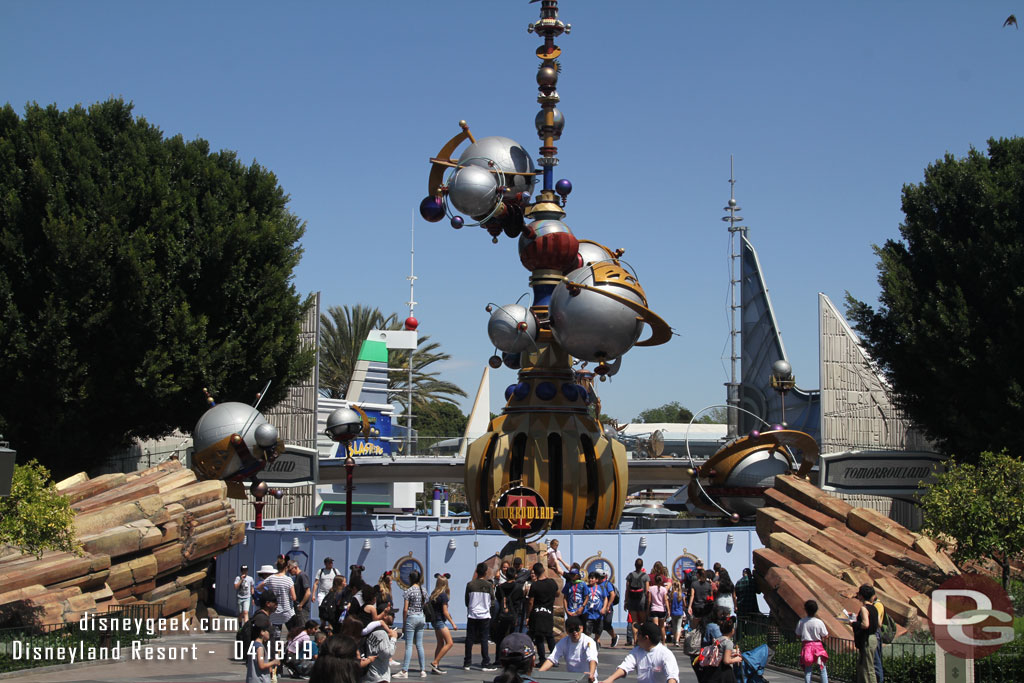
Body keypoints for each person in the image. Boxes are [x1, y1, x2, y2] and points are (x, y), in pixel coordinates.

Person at [600, 621, 678, 683]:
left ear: (646, 638)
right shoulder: (637, 651)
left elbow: (672, 677)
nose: (636, 637)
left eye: (638, 634)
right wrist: (610, 679)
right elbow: (625, 666)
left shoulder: (665, 654)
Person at [539, 616, 598, 681]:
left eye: (577, 629)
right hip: (572, 679)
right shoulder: (563, 642)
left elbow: (592, 659)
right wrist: (538, 674)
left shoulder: (588, 642)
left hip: (587, 679)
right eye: (571, 630)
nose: (574, 632)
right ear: (567, 631)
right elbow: (552, 659)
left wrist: (591, 673)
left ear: (581, 628)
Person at [394, 570, 428, 678]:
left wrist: (404, 624)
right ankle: (423, 670)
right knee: (419, 645)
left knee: (408, 645)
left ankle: (404, 671)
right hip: (421, 617)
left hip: (411, 617)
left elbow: (405, 609)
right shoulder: (423, 590)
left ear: (410, 579)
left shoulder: (409, 591)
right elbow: (425, 604)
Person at [465, 562, 497, 671]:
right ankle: (485, 662)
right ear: (486, 572)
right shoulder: (488, 585)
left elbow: (466, 601)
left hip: (472, 614)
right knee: (484, 639)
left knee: (469, 638)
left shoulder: (470, 584)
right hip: (484, 615)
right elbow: (492, 601)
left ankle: (467, 662)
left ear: (477, 571)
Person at [525, 562, 558, 661]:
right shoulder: (552, 583)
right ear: (543, 570)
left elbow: (531, 602)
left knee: (539, 637)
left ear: (535, 572)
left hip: (537, 613)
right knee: (549, 635)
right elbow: (557, 593)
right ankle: (554, 658)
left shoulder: (535, 585)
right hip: (548, 612)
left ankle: (542, 659)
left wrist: (528, 615)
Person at [427, 572, 457, 674]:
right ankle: (435, 663)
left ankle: (435, 667)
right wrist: (453, 623)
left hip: (434, 621)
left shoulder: (433, 594)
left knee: (440, 643)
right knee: (450, 643)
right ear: (445, 584)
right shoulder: (443, 596)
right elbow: (445, 612)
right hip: (440, 621)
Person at [796, 600, 829, 683]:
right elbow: (825, 634)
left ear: (805, 609)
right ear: (816, 610)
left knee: (808, 670)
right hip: (818, 647)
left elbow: (798, 634)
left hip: (806, 647)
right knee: (822, 669)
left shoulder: (802, 622)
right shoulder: (819, 622)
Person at [851, 584, 879, 683]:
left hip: (867, 639)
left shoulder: (864, 608)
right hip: (873, 638)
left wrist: (854, 623)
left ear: (862, 596)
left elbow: (865, 624)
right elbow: (878, 623)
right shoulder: (874, 608)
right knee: (862, 665)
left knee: (868, 668)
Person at [264, 558, 297, 639]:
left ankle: (277, 650)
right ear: (286, 567)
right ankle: (290, 648)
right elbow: (294, 597)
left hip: (275, 611)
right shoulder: (288, 580)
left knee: (276, 636)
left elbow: (259, 587)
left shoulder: (271, 578)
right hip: (286, 611)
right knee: (293, 633)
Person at [363, 612, 398, 683]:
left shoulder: (370, 628)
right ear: (385, 615)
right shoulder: (381, 633)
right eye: (392, 615)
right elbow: (387, 653)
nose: (394, 617)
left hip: (369, 673)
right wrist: (393, 639)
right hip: (380, 676)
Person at [705, 616, 741, 683]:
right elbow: (726, 661)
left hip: (714, 671)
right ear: (732, 630)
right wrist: (737, 659)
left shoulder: (717, 640)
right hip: (724, 672)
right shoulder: (728, 642)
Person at [493, 566, 522, 647]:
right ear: (515, 575)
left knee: (500, 637)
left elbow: (498, 599)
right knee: (514, 637)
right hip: (514, 615)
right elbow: (520, 601)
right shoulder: (519, 588)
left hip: (502, 614)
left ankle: (499, 657)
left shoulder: (499, 588)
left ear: (505, 575)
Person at [623, 559, 649, 643]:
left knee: (634, 621)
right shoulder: (645, 576)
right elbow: (647, 590)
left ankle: (635, 641)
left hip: (632, 600)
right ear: (642, 566)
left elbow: (627, 590)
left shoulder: (630, 575)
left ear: (635, 565)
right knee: (642, 621)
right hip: (642, 600)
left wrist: (625, 601)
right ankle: (642, 639)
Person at [597, 569, 619, 648]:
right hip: (599, 607)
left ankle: (614, 636)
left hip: (608, 608)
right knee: (599, 624)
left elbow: (612, 595)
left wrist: (608, 605)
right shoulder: (596, 584)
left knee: (607, 623)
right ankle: (597, 641)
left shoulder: (607, 584)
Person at [582, 572, 606, 641]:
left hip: (599, 614)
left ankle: (596, 640)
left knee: (598, 630)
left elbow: (605, 598)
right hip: (589, 613)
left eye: (592, 578)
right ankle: (588, 644)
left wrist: (604, 608)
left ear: (596, 580)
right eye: (589, 578)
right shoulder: (586, 587)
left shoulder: (601, 588)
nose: (590, 580)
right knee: (587, 631)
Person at [290, 560, 313, 624]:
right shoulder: (297, 577)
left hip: (303, 608)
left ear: (295, 567)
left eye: (290, 570)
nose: (289, 572)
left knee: (302, 626)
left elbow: (308, 592)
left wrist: (301, 605)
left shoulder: (302, 575)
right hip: (298, 606)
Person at [647, 575, 669, 642]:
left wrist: (648, 609)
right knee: (662, 627)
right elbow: (665, 600)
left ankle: (656, 641)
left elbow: (649, 600)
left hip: (654, 609)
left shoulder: (651, 588)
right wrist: (668, 609)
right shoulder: (664, 589)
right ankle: (663, 642)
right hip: (662, 610)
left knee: (655, 627)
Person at [667, 579, 686, 647]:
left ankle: (675, 639)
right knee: (679, 626)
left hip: (673, 612)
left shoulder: (671, 594)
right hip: (680, 612)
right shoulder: (681, 594)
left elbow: (669, 603)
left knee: (674, 626)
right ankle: (677, 640)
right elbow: (684, 604)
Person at [872, 596, 885, 683]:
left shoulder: (877, 605)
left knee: (876, 663)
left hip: (875, 634)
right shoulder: (875, 605)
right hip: (875, 634)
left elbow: (879, 623)